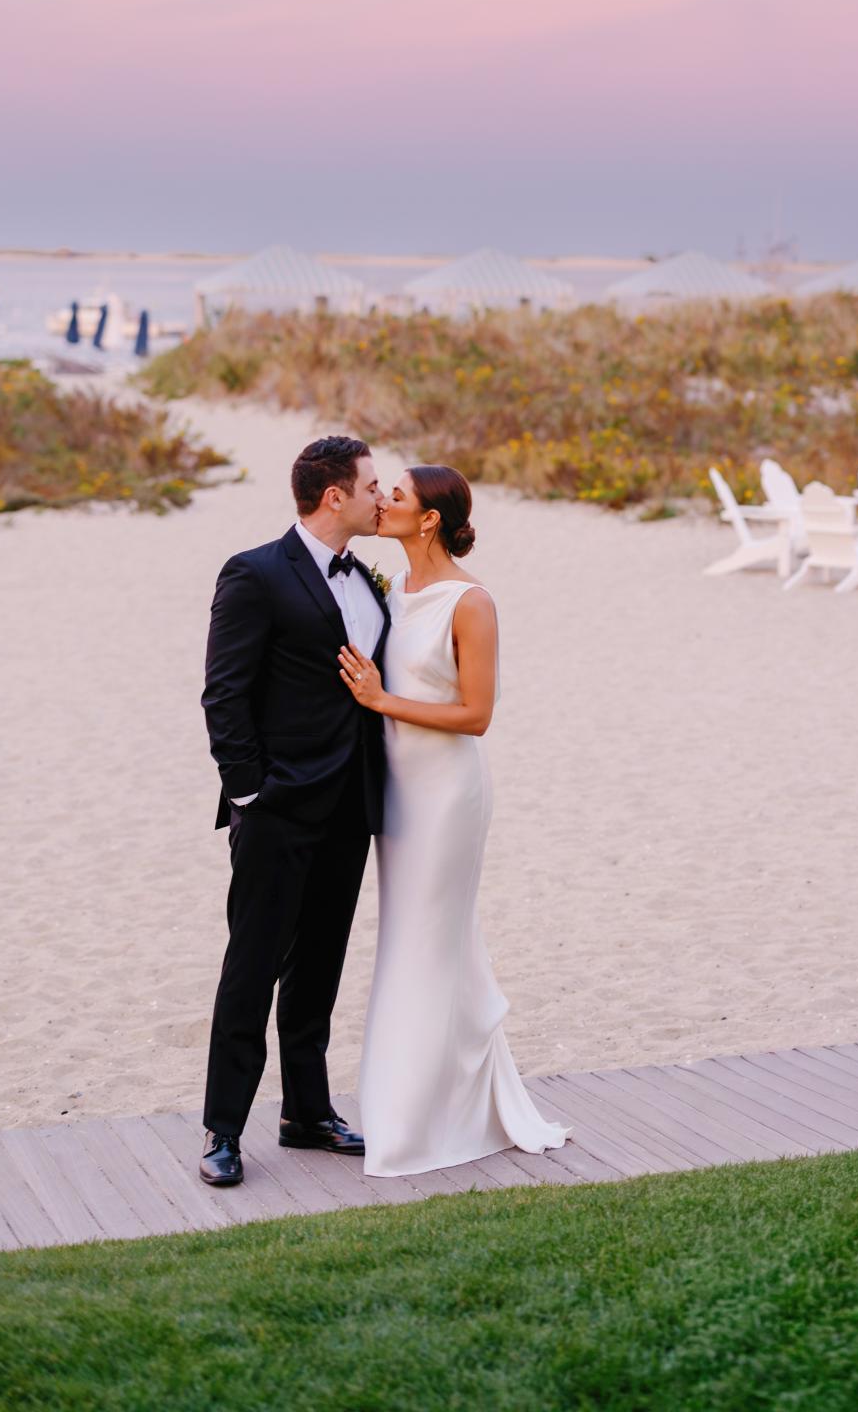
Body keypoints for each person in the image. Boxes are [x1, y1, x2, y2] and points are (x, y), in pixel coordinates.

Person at [340, 463, 568, 1176]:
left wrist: (382, 703)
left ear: (429, 518)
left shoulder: (470, 603)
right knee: (415, 941)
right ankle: (446, 1101)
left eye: (396, 496)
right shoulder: (390, 592)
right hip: (395, 793)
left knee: (427, 944)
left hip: (446, 795)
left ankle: (413, 1125)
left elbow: (476, 716)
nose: (382, 503)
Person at [197, 436, 388, 1186]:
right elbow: (223, 692)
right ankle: (221, 1130)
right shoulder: (254, 573)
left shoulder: (368, 581)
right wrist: (250, 793)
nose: (382, 496)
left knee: (319, 968)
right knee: (252, 968)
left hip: (350, 805)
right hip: (278, 808)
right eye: (372, 485)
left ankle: (306, 1113)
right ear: (333, 495)